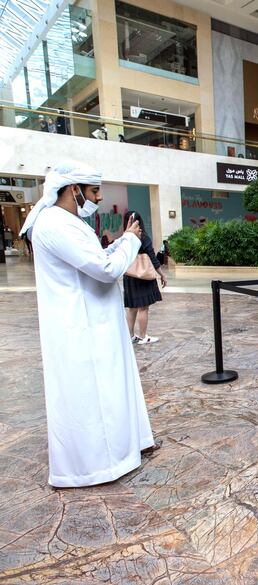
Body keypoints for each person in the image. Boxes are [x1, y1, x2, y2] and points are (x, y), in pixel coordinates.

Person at [19, 161, 157, 488]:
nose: (98, 197)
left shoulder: (66, 221)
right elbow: (105, 269)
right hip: (81, 328)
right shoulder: (54, 224)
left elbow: (93, 261)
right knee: (93, 397)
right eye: (94, 191)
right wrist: (129, 241)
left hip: (96, 324)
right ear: (73, 189)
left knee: (109, 391)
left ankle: (126, 449)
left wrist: (117, 247)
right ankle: (97, 466)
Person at [123, 210, 167, 344]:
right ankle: (143, 336)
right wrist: (162, 275)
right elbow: (153, 258)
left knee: (132, 307)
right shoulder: (144, 237)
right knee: (143, 307)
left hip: (129, 276)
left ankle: (130, 336)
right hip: (144, 277)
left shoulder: (125, 237)